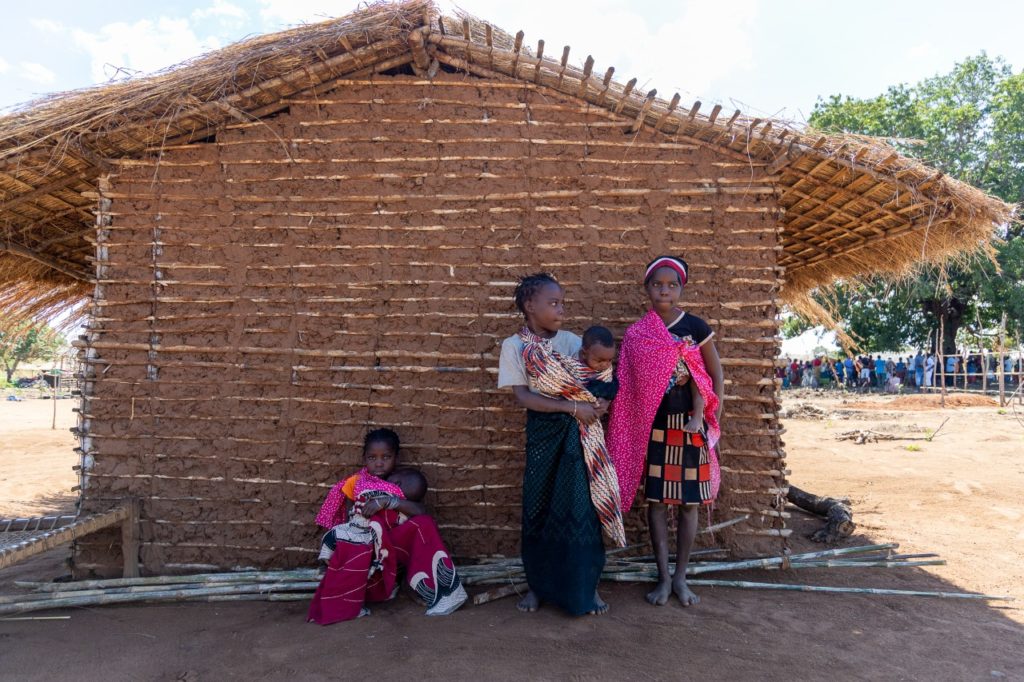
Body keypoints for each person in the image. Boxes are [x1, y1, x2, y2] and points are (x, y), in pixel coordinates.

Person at [497, 273, 618, 616]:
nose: (561, 309)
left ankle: (586, 588)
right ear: (529, 306)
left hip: (579, 442)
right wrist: (572, 408)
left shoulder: (572, 342)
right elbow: (523, 396)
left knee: (582, 511)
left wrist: (599, 405)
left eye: (562, 302)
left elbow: (601, 379)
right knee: (538, 510)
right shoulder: (515, 347)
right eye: (553, 303)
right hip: (543, 440)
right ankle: (539, 587)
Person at [608, 256, 724, 608]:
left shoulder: (695, 327)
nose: (664, 290)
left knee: (689, 503)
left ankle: (681, 578)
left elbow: (714, 375)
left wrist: (712, 419)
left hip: (690, 424)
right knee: (657, 502)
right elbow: (627, 386)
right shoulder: (637, 334)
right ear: (647, 289)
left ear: (681, 288)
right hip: (654, 427)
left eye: (672, 284)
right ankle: (661, 577)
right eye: (657, 284)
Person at [307, 429, 467, 625]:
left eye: (386, 457)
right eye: (372, 457)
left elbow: (420, 511)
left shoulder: (403, 482)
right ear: (364, 458)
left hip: (395, 545)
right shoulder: (356, 482)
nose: (379, 463)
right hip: (368, 550)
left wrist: (389, 502)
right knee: (351, 538)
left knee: (424, 523)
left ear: (396, 458)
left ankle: (435, 590)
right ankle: (350, 601)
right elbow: (350, 519)